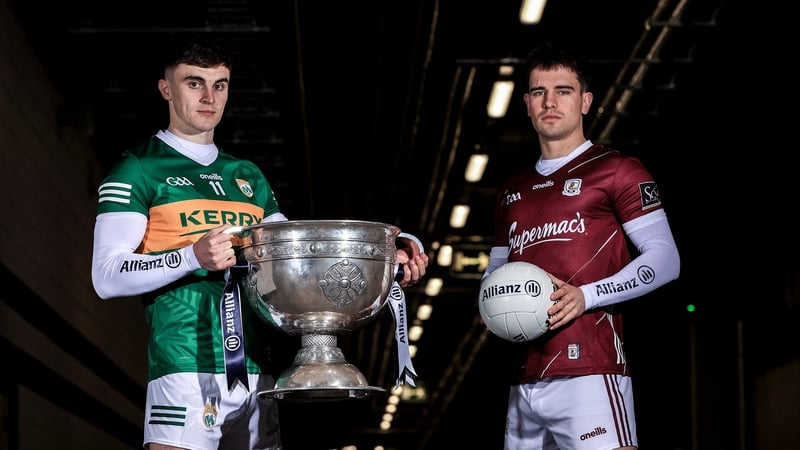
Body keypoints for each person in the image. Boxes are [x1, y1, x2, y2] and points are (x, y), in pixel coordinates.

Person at [90, 37, 429, 450]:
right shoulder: (137, 168)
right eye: (194, 83)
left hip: (261, 368)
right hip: (186, 365)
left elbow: (300, 259)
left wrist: (384, 258)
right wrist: (190, 256)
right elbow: (106, 277)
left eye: (220, 84)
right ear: (166, 89)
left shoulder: (247, 175)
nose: (209, 96)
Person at [482, 42, 680, 450]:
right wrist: (496, 306)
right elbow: (493, 277)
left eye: (563, 90)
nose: (549, 102)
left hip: (590, 371)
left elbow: (665, 260)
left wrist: (586, 296)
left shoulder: (617, 170)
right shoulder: (511, 191)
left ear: (586, 101)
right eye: (539, 92)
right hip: (525, 379)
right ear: (527, 103)